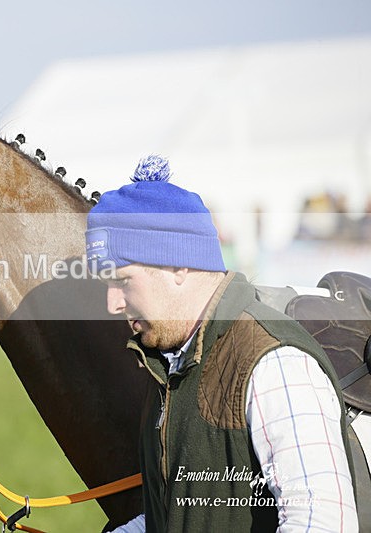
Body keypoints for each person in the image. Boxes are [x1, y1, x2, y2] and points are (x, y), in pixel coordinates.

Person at [85, 155, 358, 532]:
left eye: (123, 280)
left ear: (178, 265)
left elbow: (324, 523)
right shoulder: (171, 363)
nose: (112, 304)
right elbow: (176, 518)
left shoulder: (273, 362)